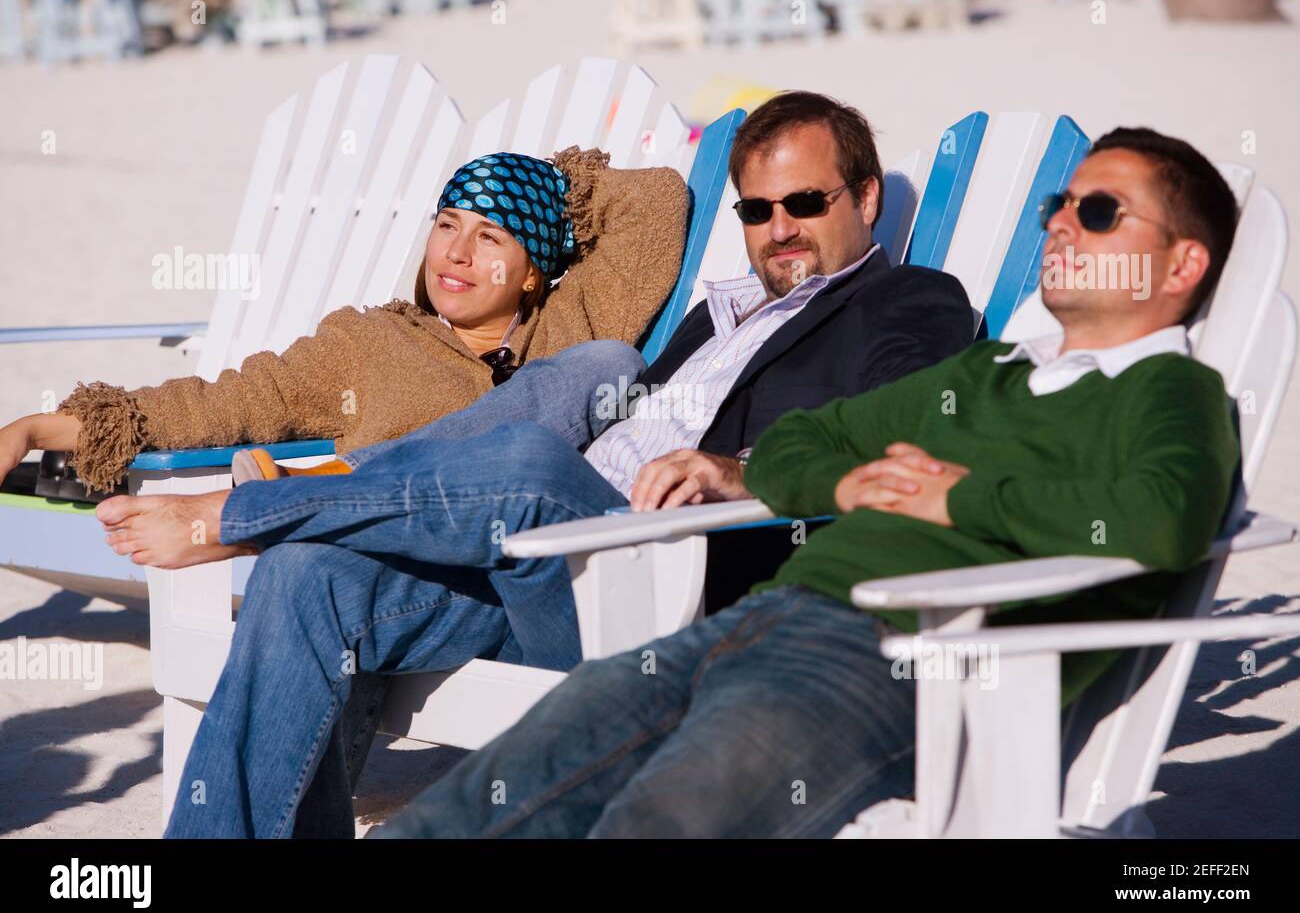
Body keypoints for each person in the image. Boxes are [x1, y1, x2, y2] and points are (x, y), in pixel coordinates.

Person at [103, 90, 975, 837]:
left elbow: (889, 430)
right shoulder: (718, 316)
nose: (778, 229)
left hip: (658, 581)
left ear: (864, 197)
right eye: (756, 210)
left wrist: (741, 470)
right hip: (536, 568)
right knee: (306, 576)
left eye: (805, 203)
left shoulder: (911, 300)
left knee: (522, 455)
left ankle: (243, 516)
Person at [372, 126, 1243, 839]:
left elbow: (1162, 520)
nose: (1060, 226)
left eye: (1097, 212)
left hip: (896, 657)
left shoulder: (1172, 391)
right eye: (1059, 206)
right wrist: (862, 477)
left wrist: (954, 498)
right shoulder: (991, 376)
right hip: (757, 619)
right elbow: (797, 448)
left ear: (1181, 267)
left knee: (654, 820)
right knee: (481, 796)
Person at [0, 148, 688, 496]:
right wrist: (35, 429)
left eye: (489, 237)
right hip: (387, 558)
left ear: (533, 269)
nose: (455, 251)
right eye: (447, 225)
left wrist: (547, 190)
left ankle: (337, 481)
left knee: (605, 362)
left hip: (521, 557)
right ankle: (336, 490)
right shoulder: (369, 344)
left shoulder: (571, 324)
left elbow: (656, 201)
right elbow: (229, 403)